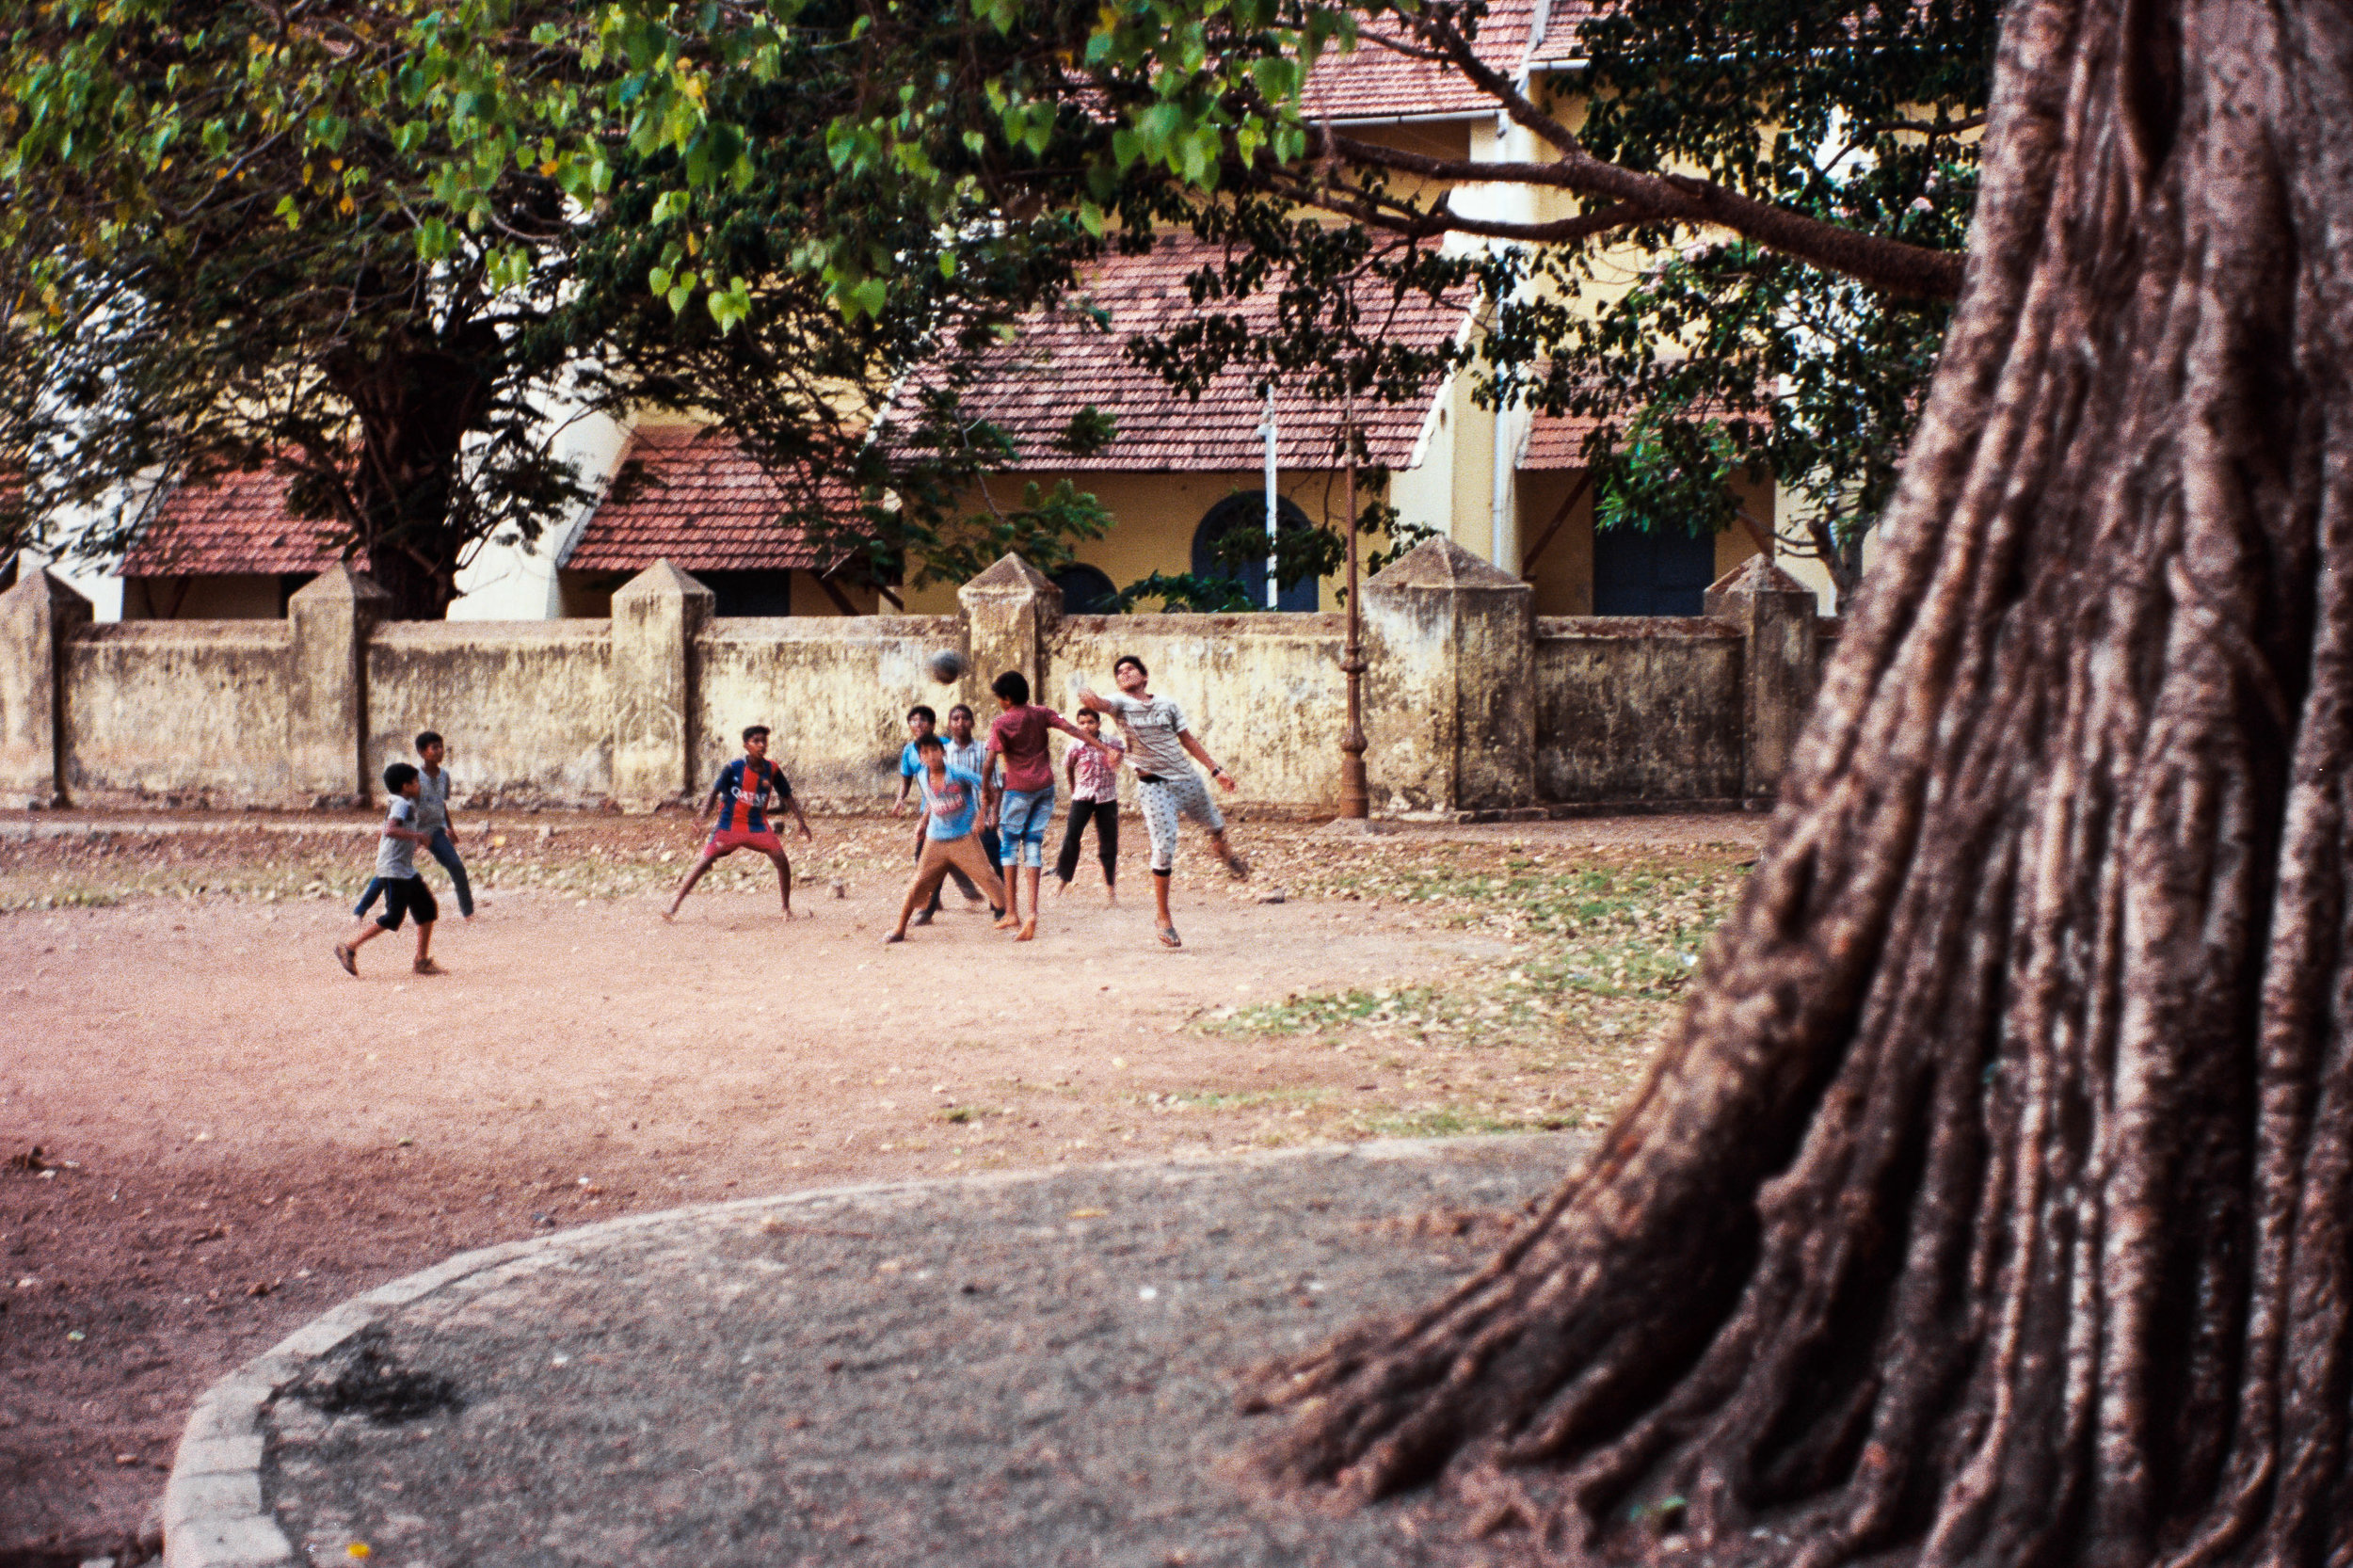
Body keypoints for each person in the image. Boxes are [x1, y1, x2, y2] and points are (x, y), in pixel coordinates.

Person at [1076, 654, 1247, 950]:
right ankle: (1164, 918)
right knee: (1164, 848)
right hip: (1153, 786)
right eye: (1119, 671)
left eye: (1130, 669)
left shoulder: (1167, 704)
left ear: (1145, 677)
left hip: (1186, 780)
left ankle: (1223, 849)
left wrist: (1216, 770)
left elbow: (1188, 739)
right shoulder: (1120, 703)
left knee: (1216, 826)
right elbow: (1101, 704)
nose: (1125, 672)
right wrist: (1090, 698)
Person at [982, 670, 1109, 942]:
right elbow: (1072, 729)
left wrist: (985, 793)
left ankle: (1012, 911)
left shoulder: (1001, 722)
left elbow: (990, 761)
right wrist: (1101, 746)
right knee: (1033, 844)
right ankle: (1033, 913)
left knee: (1009, 846)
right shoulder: (1041, 713)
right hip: (1045, 788)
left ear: (1005, 698)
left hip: (1018, 790)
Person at [664, 725, 811, 921]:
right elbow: (713, 791)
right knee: (704, 862)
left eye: (764, 741)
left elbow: (787, 796)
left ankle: (785, 908)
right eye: (756, 741)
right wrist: (702, 816)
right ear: (746, 745)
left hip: (757, 825)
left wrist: (802, 823)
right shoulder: (734, 768)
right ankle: (674, 907)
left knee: (781, 860)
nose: (761, 745)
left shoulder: (772, 769)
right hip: (729, 825)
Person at [885, 733, 1006, 944]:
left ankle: (1011, 917)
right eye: (925, 752)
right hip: (935, 839)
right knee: (917, 883)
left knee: (988, 878)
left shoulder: (958, 773)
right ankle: (900, 928)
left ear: (942, 752)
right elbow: (932, 800)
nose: (930, 756)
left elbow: (990, 789)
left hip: (963, 838)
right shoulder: (922, 775)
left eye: (934, 750)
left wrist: (982, 814)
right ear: (921, 757)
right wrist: (922, 823)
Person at [334, 762, 443, 977]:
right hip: (394, 870)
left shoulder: (404, 803)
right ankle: (349, 946)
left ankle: (421, 960)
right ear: (406, 785)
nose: (419, 784)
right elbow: (391, 829)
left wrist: (415, 841)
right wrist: (417, 837)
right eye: (415, 781)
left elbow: (390, 832)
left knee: (427, 909)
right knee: (393, 917)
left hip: (404, 869)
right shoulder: (401, 804)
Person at [354, 730, 474, 921]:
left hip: (434, 830)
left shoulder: (444, 776)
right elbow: (399, 803)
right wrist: (402, 832)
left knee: (456, 866)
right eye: (434, 747)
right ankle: (360, 910)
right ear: (422, 752)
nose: (439, 751)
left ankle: (468, 913)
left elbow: (441, 803)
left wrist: (449, 827)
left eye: (441, 747)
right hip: (413, 830)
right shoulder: (414, 778)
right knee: (391, 870)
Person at [891, 705, 987, 923]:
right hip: (932, 810)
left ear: (933, 725)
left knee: (937, 857)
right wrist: (900, 798)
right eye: (913, 720)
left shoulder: (945, 745)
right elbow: (906, 778)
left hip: (954, 810)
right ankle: (949, 895)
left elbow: (957, 774)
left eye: (923, 720)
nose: (918, 724)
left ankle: (929, 907)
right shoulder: (909, 751)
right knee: (927, 857)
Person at [1052, 706, 1125, 904]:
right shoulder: (1075, 746)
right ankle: (1062, 882)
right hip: (1082, 797)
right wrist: (1074, 789)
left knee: (1108, 842)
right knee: (1071, 836)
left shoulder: (1112, 743)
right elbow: (1068, 766)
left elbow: (1121, 759)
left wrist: (1115, 761)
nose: (1086, 726)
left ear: (1099, 724)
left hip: (1107, 797)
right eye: (1082, 723)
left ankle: (1111, 890)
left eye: (1091, 722)